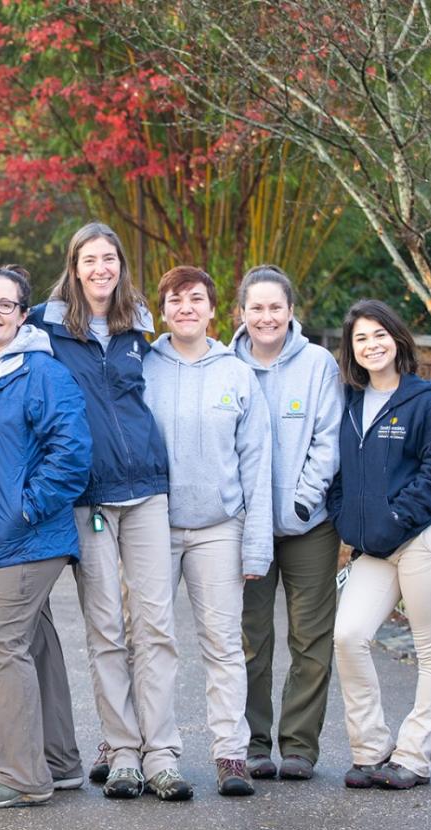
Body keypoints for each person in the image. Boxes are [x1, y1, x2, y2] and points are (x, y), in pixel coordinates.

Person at [29, 222, 188, 801]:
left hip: (146, 489)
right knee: (105, 629)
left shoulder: (138, 323)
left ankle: (162, 752)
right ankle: (122, 751)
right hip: (87, 498)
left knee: (156, 626)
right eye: (90, 259)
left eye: (110, 259)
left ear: (121, 265)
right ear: (73, 267)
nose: (101, 268)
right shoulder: (46, 327)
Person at [0, 266, 92, 809]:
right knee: (34, 642)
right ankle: (59, 764)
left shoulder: (40, 372)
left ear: (23, 313)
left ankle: (21, 777)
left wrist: (29, 506)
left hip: (30, 535)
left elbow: (72, 451)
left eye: (4, 305)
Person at [144, 266, 274, 797]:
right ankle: (156, 752)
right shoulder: (144, 366)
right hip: (151, 526)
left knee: (223, 645)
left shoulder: (236, 373)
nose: (186, 308)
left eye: (196, 299)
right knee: (152, 641)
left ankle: (230, 754)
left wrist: (255, 543)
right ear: (163, 310)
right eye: (175, 300)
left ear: (216, 310)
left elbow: (256, 463)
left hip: (220, 527)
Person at [329, 299, 431, 791]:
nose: (371, 345)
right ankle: (370, 749)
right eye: (361, 338)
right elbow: (338, 473)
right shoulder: (347, 402)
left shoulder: (424, 403)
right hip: (373, 549)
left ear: (397, 339)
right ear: (352, 349)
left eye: (379, 334)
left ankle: (414, 756)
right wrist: (347, 516)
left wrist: (396, 516)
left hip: (424, 540)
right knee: (348, 636)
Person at [230, 264, 343, 781]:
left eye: (276, 307)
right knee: (251, 639)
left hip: (309, 526)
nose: (266, 317)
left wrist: (301, 501)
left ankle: (299, 746)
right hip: (244, 526)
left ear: (291, 312)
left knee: (310, 638)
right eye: (257, 307)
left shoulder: (318, 364)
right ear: (242, 312)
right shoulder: (224, 363)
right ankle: (253, 742)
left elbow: (327, 439)